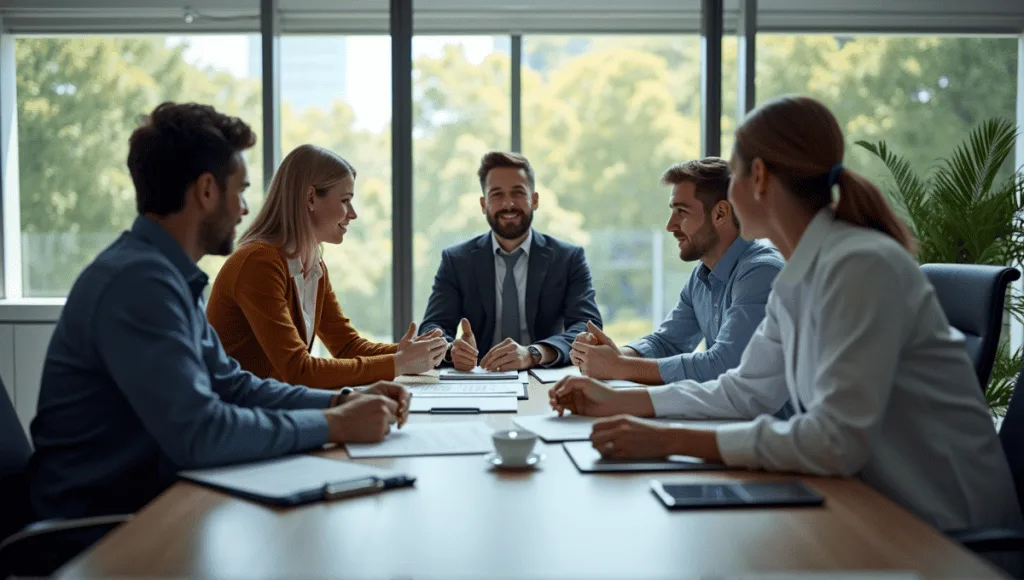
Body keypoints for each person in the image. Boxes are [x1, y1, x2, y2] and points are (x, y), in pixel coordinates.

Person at [548, 95, 1021, 531]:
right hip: (869, 507)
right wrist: (613, 400)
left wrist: (668, 439)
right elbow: (744, 391)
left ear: (758, 177)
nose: (728, 194)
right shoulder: (800, 274)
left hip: (946, 533)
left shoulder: (861, 266)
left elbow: (833, 440)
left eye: (732, 176)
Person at [28, 103, 410, 523]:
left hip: (158, 502)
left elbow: (235, 386)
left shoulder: (166, 276)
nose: (246, 208)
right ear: (207, 191)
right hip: (102, 527)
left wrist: (343, 399)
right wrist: (334, 424)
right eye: (241, 190)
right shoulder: (139, 284)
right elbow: (201, 433)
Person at [207, 145, 447, 388]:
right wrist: (399, 362)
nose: (353, 214)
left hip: (270, 409)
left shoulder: (313, 265)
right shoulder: (258, 263)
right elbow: (299, 370)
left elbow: (346, 346)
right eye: (345, 201)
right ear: (310, 198)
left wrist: (428, 351)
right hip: (239, 415)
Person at [569, 158, 782, 386]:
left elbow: (725, 366)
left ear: (720, 213)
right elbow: (667, 343)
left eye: (681, 212)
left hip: (776, 421)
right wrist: (614, 354)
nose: (670, 225)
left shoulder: (762, 273)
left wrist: (618, 366)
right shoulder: (703, 275)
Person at [420, 151, 602, 372]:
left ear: (534, 200)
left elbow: (587, 328)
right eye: (496, 194)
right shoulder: (457, 261)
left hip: (544, 376)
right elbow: (432, 327)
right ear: (483, 204)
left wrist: (534, 354)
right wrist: (451, 351)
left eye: (518, 193)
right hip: (479, 377)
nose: (508, 204)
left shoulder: (568, 258)